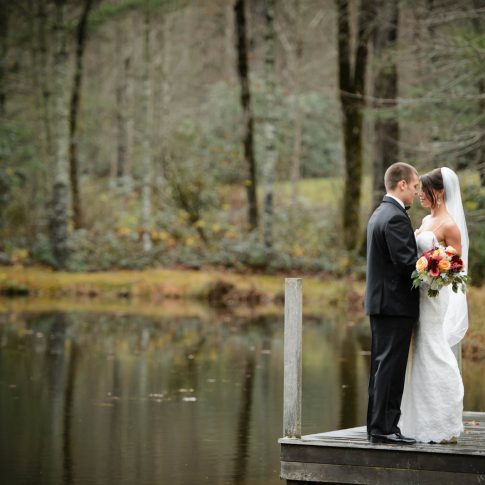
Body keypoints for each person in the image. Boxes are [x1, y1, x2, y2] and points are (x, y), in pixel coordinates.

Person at [399, 167, 468, 443]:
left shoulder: (450, 225)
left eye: (423, 190)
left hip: (435, 296)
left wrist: (433, 275)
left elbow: (456, 266)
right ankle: (417, 420)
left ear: (438, 191)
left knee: (434, 348)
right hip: (418, 295)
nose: (419, 195)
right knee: (418, 352)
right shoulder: (426, 220)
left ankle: (445, 416)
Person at [365, 162, 420, 445]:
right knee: (390, 367)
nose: (415, 192)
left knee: (381, 366)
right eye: (414, 186)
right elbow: (406, 264)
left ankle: (378, 426)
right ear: (401, 184)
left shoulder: (379, 212)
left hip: (382, 303)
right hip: (394, 304)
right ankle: (385, 428)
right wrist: (433, 269)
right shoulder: (396, 217)